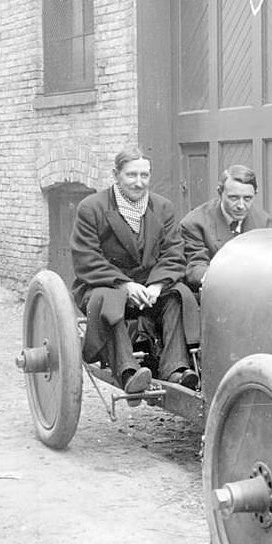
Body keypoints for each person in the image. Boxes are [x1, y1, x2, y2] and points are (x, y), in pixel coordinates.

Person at [70, 147, 200, 393]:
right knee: (109, 299)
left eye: (145, 175)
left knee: (178, 294)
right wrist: (125, 285)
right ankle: (128, 372)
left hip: (149, 286)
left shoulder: (163, 208)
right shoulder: (91, 208)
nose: (139, 183)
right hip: (105, 284)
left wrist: (157, 286)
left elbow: (173, 252)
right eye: (131, 175)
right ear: (116, 175)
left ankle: (176, 369)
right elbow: (87, 258)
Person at [180, 164, 272, 291]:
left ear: (255, 194)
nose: (241, 206)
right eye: (233, 198)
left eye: (247, 198)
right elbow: (196, 268)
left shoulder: (263, 222)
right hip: (215, 294)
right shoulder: (195, 223)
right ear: (220, 193)